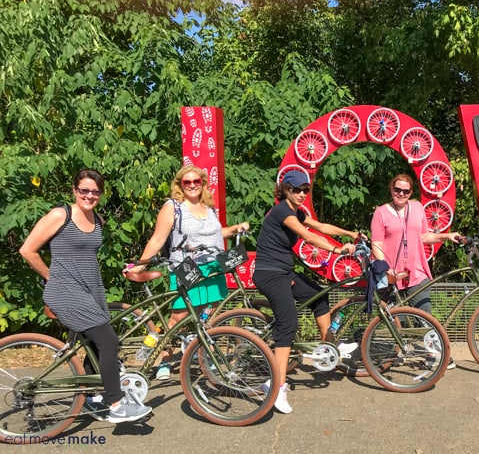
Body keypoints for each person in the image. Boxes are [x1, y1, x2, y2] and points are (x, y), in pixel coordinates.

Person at [19, 168, 152, 423]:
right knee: (109, 342)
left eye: (95, 191)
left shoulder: (98, 220)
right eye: (84, 190)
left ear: (100, 194)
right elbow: (27, 250)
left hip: (91, 289)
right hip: (66, 292)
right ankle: (116, 403)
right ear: (74, 190)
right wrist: (52, 276)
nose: (89, 195)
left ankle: (92, 398)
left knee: (96, 345)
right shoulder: (61, 215)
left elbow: (85, 258)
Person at [128, 165, 249, 380]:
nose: (192, 185)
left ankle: (203, 355)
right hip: (187, 268)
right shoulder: (173, 207)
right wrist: (139, 265)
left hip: (213, 267)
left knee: (207, 315)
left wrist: (234, 229)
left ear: (202, 183)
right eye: (187, 182)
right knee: (179, 317)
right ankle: (165, 358)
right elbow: (158, 238)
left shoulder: (209, 207)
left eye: (196, 182)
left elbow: (214, 233)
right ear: (180, 185)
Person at [253, 170, 359, 414]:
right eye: (296, 189)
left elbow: (319, 226)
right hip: (270, 274)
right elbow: (307, 236)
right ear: (285, 190)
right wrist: (337, 250)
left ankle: (327, 346)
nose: (301, 194)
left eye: (305, 190)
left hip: (284, 272)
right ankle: (276, 387)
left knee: (318, 295)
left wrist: (350, 234)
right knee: (287, 326)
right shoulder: (282, 211)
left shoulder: (297, 212)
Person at [370, 174, 461, 369]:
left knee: (424, 314)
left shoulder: (418, 208)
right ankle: (397, 352)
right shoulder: (381, 213)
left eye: (405, 191)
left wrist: (447, 236)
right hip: (391, 274)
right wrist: (385, 269)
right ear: (391, 190)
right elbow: (376, 244)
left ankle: (435, 354)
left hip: (416, 270)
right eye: (397, 190)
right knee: (394, 318)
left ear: (411, 192)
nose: (401, 194)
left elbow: (425, 235)